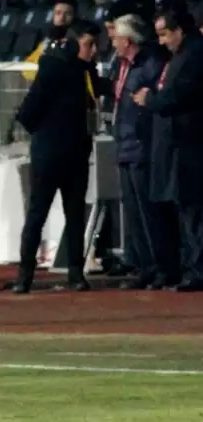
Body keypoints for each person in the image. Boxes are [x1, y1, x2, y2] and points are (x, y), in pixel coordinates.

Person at [12, 19, 101, 294]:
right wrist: (46, 133)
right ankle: (28, 274)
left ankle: (69, 272)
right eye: (89, 44)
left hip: (70, 151)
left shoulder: (82, 69)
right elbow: (29, 109)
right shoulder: (53, 67)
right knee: (40, 214)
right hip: (52, 153)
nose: (94, 50)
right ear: (74, 42)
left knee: (70, 216)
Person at [132, 6, 203, 292]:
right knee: (188, 210)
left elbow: (177, 97)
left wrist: (150, 100)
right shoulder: (184, 55)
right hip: (181, 146)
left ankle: (198, 270)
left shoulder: (194, 56)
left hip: (190, 146)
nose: (161, 42)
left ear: (179, 31)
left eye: (164, 34)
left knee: (194, 210)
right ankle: (194, 267)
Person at [107, 14, 167, 290]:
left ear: (128, 40)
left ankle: (160, 266)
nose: (113, 43)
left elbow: (152, 105)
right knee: (133, 213)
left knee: (148, 212)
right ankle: (145, 266)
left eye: (117, 39)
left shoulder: (149, 65)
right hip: (125, 145)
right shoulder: (122, 66)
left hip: (141, 147)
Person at [22, 0, 77, 81]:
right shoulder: (46, 42)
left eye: (67, 14)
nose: (62, 18)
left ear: (74, 17)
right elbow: (27, 70)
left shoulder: (81, 42)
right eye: (58, 13)